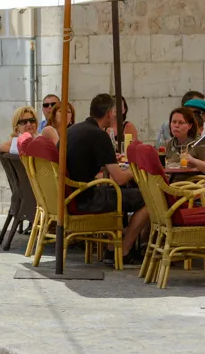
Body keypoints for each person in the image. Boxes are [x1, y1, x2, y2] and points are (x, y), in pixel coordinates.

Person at [64, 93, 150, 264]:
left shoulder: (72, 130)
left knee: (124, 194)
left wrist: (108, 162)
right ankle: (124, 249)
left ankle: (114, 245)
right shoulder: (99, 135)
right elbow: (119, 179)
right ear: (110, 113)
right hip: (86, 199)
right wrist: (136, 170)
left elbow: (82, 161)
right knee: (149, 199)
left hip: (71, 196)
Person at [163, 107, 205, 172]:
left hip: (193, 181)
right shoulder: (170, 144)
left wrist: (193, 160)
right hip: (174, 180)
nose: (176, 125)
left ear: (190, 126)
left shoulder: (199, 143)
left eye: (181, 122)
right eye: (174, 122)